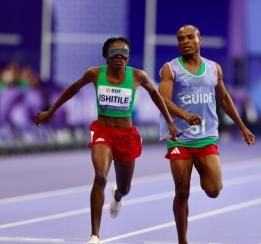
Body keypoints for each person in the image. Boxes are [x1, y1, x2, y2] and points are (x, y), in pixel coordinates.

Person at [33, 37, 178, 244]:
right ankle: (95, 235)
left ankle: (117, 196)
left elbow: (156, 95)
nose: (119, 57)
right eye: (114, 53)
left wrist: (170, 122)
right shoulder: (95, 74)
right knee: (100, 176)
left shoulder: (137, 76)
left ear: (128, 57)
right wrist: (51, 111)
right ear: (105, 56)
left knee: (125, 187)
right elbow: (72, 89)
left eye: (124, 53)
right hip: (103, 132)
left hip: (126, 137)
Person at [158, 25, 255, 244]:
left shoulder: (214, 69)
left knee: (213, 189)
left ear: (199, 39)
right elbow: (163, 99)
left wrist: (242, 127)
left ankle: (203, 169)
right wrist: (184, 115)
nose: (185, 41)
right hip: (179, 138)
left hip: (206, 136)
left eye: (190, 37)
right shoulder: (170, 69)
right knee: (181, 191)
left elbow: (224, 99)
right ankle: (182, 240)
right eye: (180, 39)